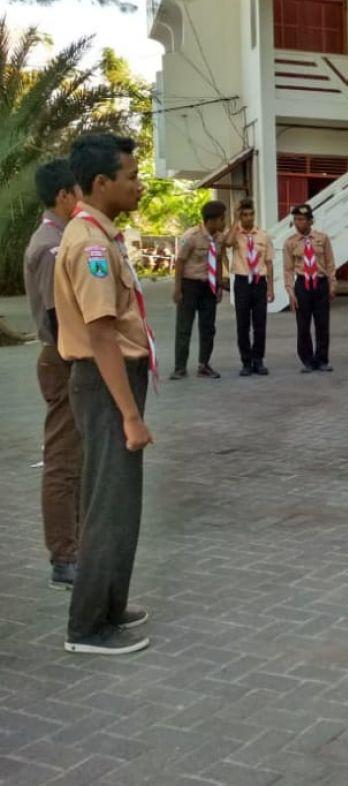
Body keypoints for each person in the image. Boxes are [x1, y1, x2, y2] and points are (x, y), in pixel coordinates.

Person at [54, 133, 155, 655]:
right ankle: (88, 627)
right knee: (107, 504)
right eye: (131, 177)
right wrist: (130, 415)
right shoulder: (91, 245)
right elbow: (100, 335)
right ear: (101, 183)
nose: (139, 185)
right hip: (105, 382)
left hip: (109, 381)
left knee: (120, 502)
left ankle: (111, 605)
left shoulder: (100, 234)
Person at [23, 159, 83, 590]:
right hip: (62, 359)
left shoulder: (62, 238)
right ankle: (64, 556)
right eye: (78, 191)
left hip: (67, 357)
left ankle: (77, 544)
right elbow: (57, 315)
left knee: (77, 458)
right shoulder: (50, 246)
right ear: (64, 196)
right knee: (62, 461)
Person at [171, 200, 228, 379]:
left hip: (208, 287)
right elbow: (180, 262)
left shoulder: (219, 238)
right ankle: (180, 367)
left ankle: (204, 365)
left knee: (208, 327)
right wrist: (177, 289)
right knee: (184, 327)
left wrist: (219, 286)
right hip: (189, 285)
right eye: (222, 219)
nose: (224, 222)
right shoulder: (191, 236)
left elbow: (218, 260)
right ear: (211, 220)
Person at [224, 198, 274, 376]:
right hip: (242, 282)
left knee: (260, 324)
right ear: (240, 216)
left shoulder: (263, 235)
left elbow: (269, 262)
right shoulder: (235, 233)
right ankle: (246, 362)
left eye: (251, 214)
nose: (248, 218)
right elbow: (227, 243)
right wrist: (235, 220)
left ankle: (258, 360)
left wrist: (271, 288)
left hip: (260, 283)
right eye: (244, 215)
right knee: (242, 325)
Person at [283, 203, 336, 372]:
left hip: (320, 284)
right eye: (296, 219)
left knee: (322, 324)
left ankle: (322, 360)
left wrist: (332, 284)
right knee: (303, 325)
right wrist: (291, 292)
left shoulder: (323, 239)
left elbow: (330, 263)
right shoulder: (290, 243)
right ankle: (307, 360)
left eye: (302, 219)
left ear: (311, 221)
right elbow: (288, 269)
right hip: (302, 285)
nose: (299, 223)